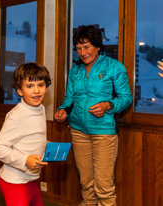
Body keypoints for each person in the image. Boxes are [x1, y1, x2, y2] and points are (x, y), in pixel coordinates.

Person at [55, 25, 133, 206]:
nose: (82, 52)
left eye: (86, 47)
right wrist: (63, 110)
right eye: (79, 48)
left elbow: (126, 98)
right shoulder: (75, 70)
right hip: (78, 131)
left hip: (104, 133)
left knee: (103, 187)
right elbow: (70, 98)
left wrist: (108, 105)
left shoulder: (114, 67)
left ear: (98, 46)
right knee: (86, 184)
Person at [0, 62, 51, 206]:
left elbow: (32, 134)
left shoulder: (40, 108)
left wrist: (45, 144)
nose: (36, 91)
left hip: (30, 178)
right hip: (13, 181)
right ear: (19, 90)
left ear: (46, 88)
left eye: (41, 85)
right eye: (29, 86)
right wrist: (25, 160)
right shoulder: (16, 116)